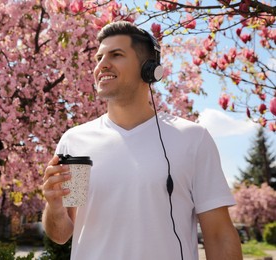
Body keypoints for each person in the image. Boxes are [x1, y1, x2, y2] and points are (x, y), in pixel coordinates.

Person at [42, 21, 243, 260]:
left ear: (149, 68)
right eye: (98, 58)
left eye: (116, 55)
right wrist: (54, 208)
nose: (101, 65)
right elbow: (61, 234)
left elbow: (219, 235)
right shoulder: (75, 141)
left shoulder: (192, 139)